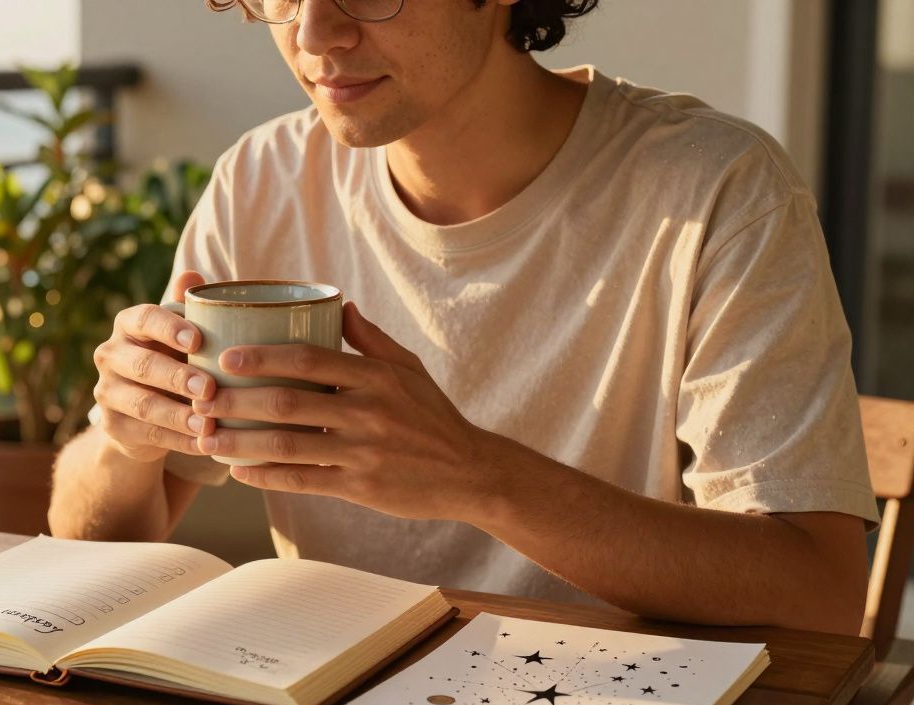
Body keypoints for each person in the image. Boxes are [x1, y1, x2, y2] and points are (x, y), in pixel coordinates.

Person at [50, 0, 879, 635]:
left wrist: (478, 476)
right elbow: (92, 548)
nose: (313, 33)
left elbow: (819, 593)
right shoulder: (263, 179)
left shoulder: (712, 190)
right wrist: (124, 441)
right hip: (322, 694)